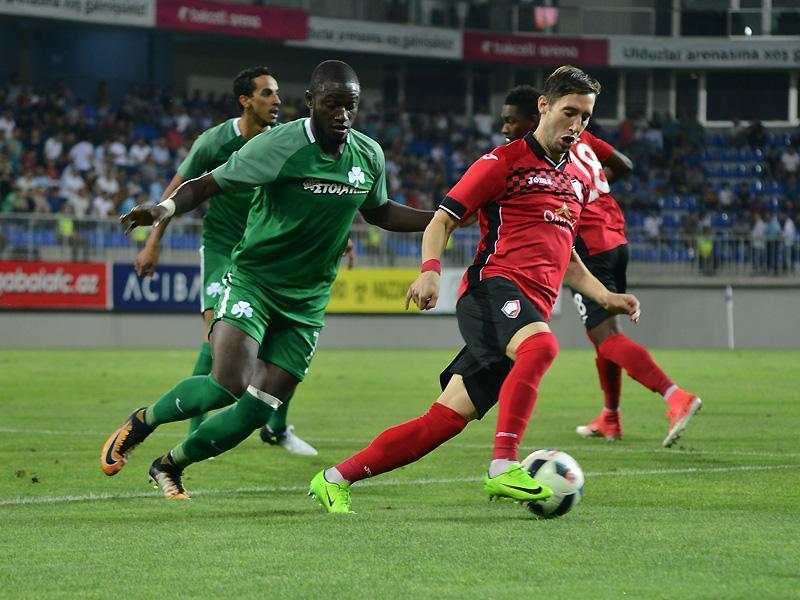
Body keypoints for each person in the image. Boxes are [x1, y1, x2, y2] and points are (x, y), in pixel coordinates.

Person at [309, 66, 641, 514]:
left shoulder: (576, 182)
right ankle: (503, 464)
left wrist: (606, 297)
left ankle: (334, 479)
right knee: (542, 346)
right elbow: (442, 219)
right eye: (569, 112)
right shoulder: (501, 163)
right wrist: (430, 271)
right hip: (492, 290)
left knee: (443, 421)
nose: (576, 125)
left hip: (525, 311)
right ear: (544, 106)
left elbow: (568, 258)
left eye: (585, 117)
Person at [101, 60, 434, 499]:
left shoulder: (368, 154)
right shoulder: (279, 145)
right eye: (331, 105)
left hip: (308, 301)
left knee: (259, 409)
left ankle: (170, 464)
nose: (342, 115)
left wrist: (443, 217)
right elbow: (207, 184)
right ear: (311, 102)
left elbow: (379, 212)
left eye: (349, 106)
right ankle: (144, 421)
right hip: (255, 282)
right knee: (228, 383)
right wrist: (163, 210)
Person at [498, 84, 702, 447]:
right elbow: (624, 164)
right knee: (602, 335)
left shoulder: (545, 152)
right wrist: (594, 191)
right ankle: (610, 417)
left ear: (538, 115)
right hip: (615, 236)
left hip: (588, 244)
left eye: (512, 121)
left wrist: (580, 203)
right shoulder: (583, 138)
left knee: (606, 337)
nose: (505, 129)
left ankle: (675, 396)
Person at [133, 66, 317, 455]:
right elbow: (177, 190)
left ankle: (276, 429)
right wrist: (152, 244)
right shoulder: (213, 142)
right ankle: (194, 433)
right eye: (267, 93)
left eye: (277, 92)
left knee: (281, 344)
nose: (277, 100)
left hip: (266, 251)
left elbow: (308, 194)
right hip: (221, 247)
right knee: (214, 333)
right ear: (245, 101)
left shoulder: (282, 142)